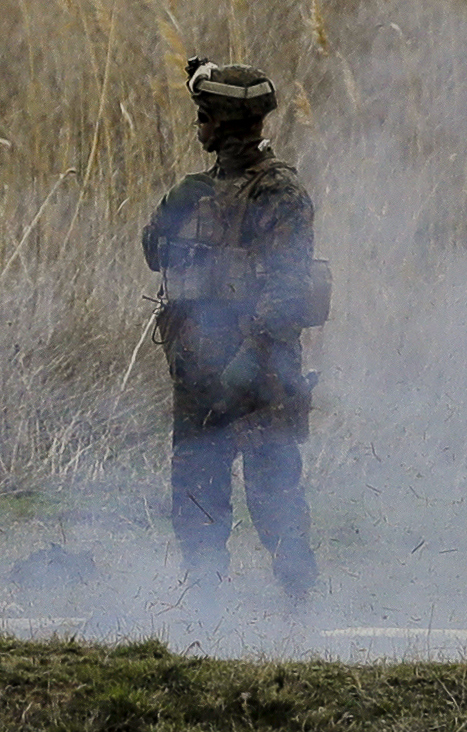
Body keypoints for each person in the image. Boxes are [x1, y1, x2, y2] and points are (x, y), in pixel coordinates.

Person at [140, 59, 325, 607]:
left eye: (204, 118)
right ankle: (204, 603)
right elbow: (156, 253)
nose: (199, 127)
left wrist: (249, 356)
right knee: (199, 491)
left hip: (260, 371)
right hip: (200, 367)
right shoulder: (199, 191)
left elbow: (288, 288)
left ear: (218, 123)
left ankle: (300, 603)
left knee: (273, 492)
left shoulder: (278, 194)